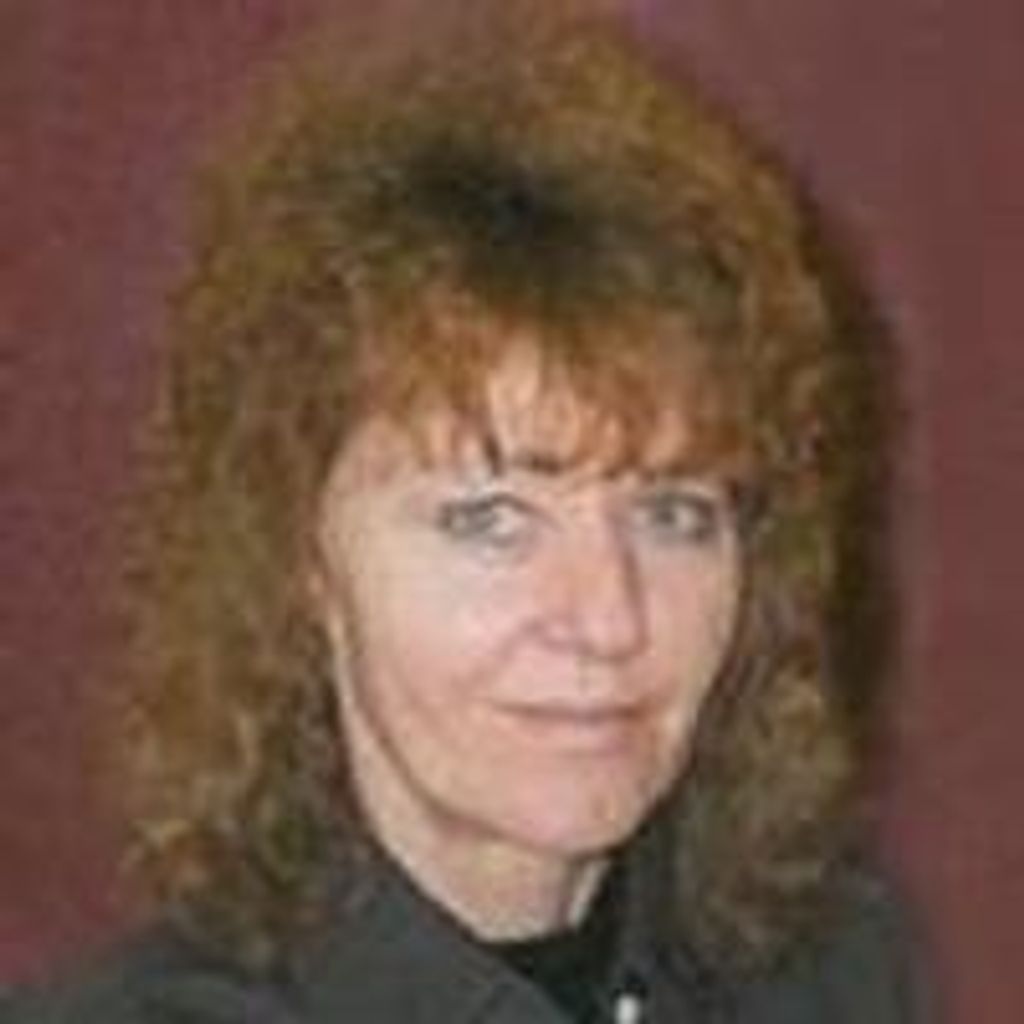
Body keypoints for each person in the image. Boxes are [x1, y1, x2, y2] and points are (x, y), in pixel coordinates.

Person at [12, 3, 925, 1021]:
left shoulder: (838, 973)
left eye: (673, 513)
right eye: (489, 519)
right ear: (298, 559)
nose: (608, 618)